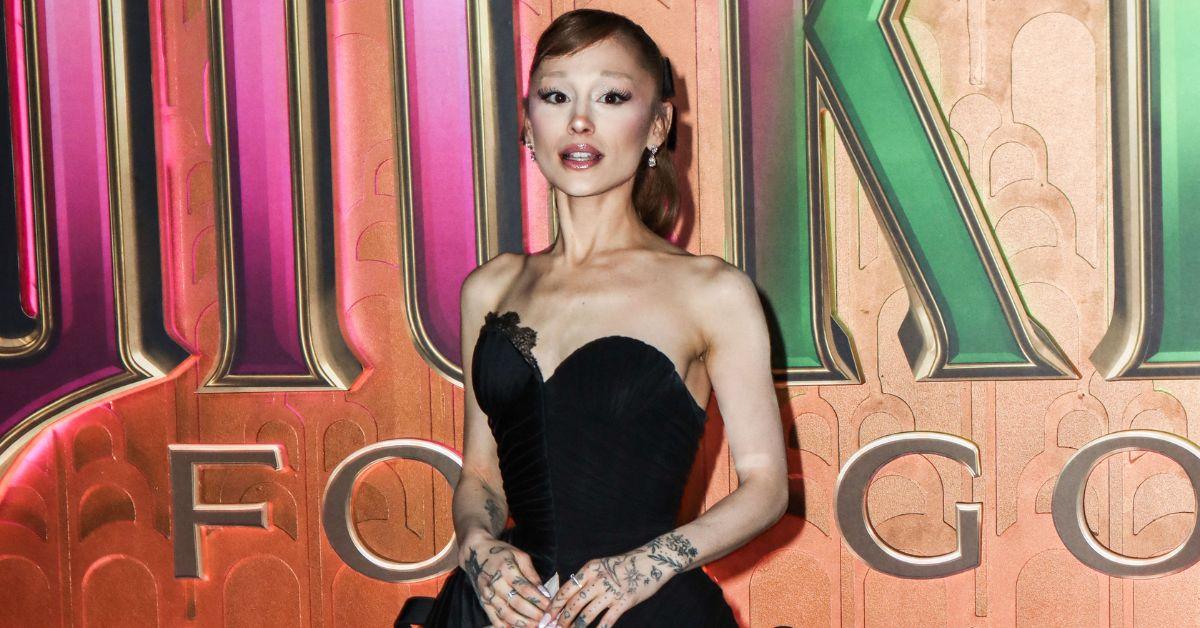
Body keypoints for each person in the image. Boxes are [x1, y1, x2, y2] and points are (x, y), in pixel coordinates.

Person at [419, 8, 787, 627]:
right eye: (556, 96)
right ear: (528, 123)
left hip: (644, 611)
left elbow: (766, 484)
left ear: (657, 124)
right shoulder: (490, 287)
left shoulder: (712, 292)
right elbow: (481, 475)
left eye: (611, 97)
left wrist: (646, 566)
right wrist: (479, 548)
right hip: (497, 612)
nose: (580, 121)